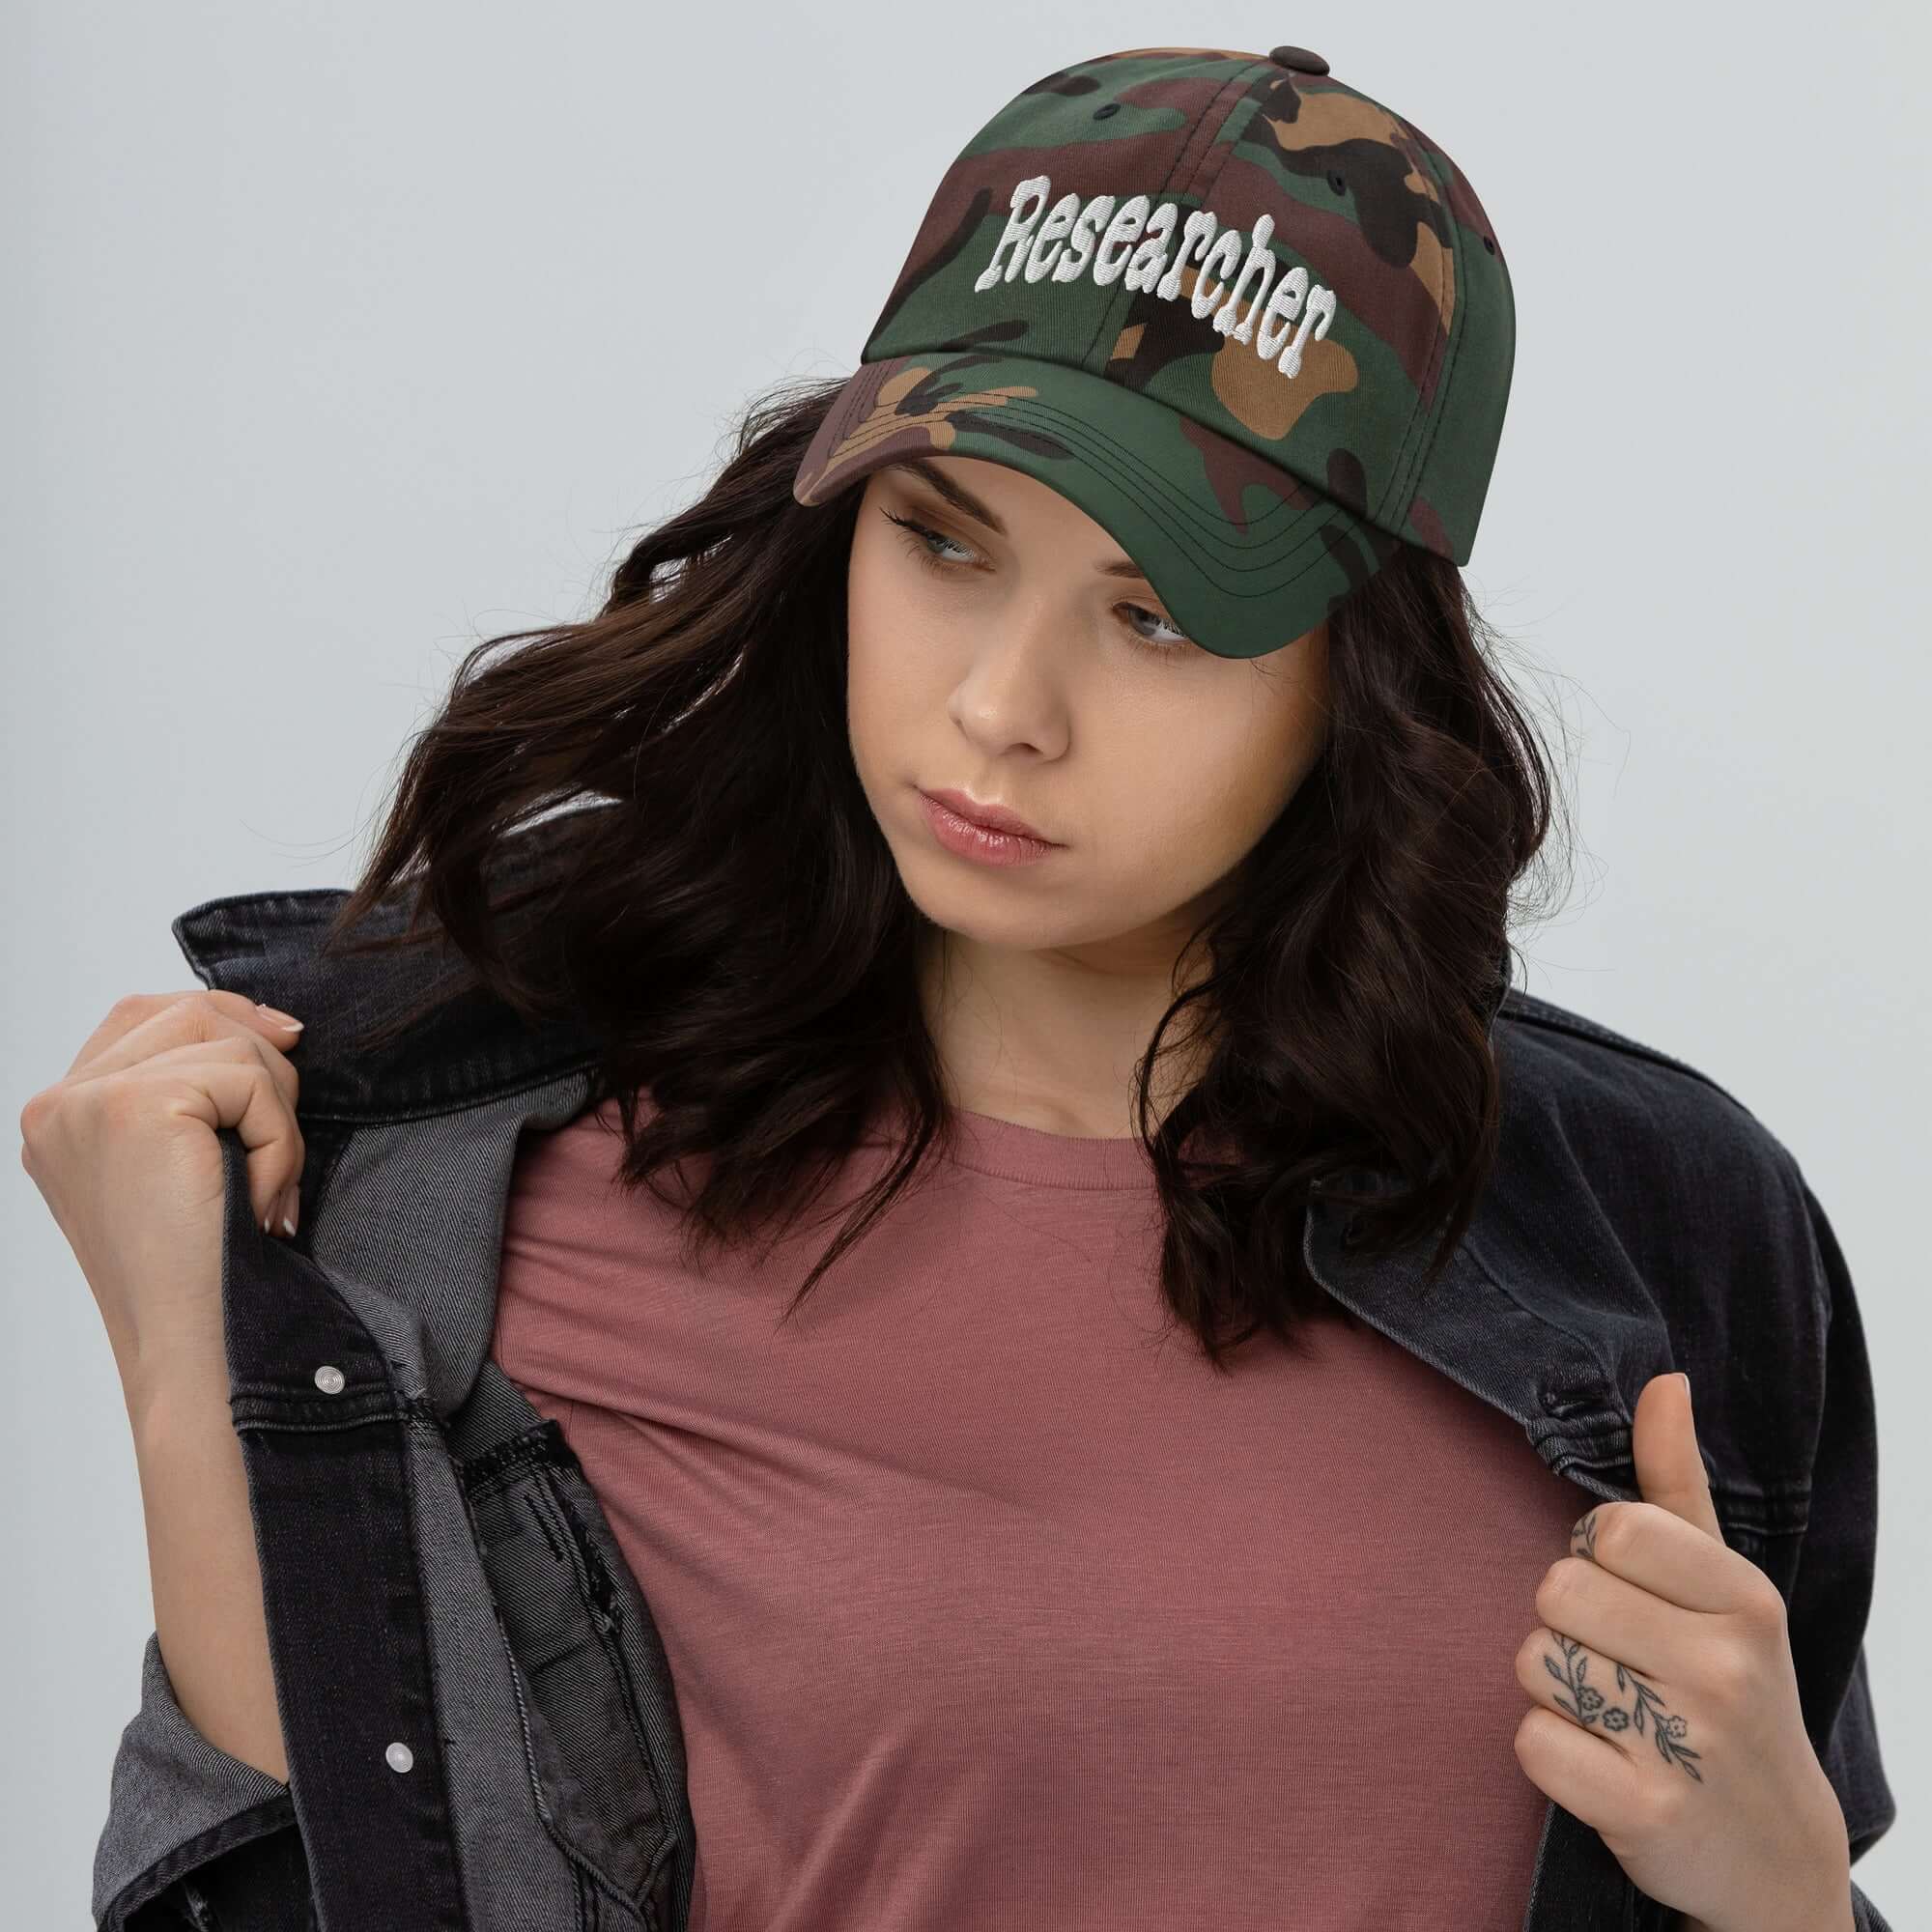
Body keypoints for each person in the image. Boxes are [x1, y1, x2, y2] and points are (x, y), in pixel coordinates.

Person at [30, 43, 1893, 1932]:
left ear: (1360, 680)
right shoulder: (473, 1194)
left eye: (1157, 612)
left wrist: (1789, 1899)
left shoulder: (1657, 1223)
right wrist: (196, 1357)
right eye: (943, 540)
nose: (1002, 707)